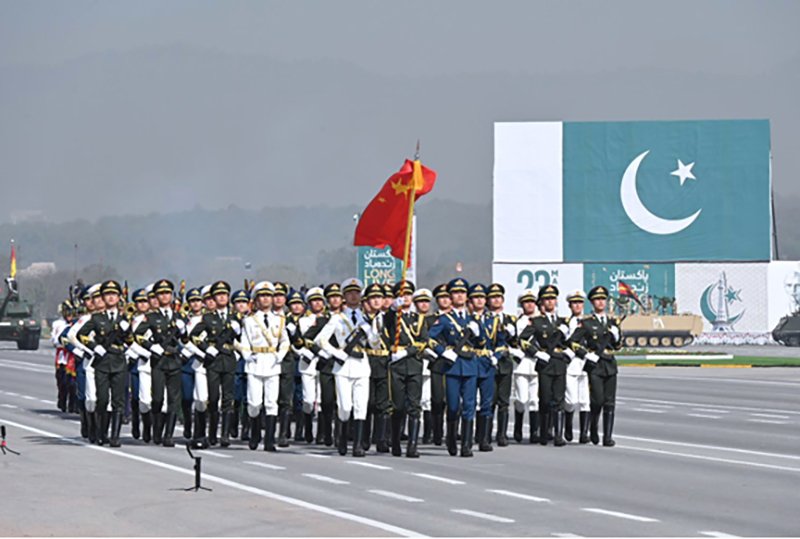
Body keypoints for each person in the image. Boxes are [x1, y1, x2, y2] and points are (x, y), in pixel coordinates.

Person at [317, 278, 374, 457]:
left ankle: (357, 445)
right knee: (345, 407)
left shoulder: (367, 319)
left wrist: (370, 333)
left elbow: (376, 343)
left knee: (361, 406)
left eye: (356, 293)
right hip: (343, 366)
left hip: (362, 364)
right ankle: (342, 437)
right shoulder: (337, 318)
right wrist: (336, 353)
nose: (353, 296)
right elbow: (320, 340)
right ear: (344, 297)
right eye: (349, 293)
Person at [429, 278, 481, 457]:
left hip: (470, 365)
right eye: (456, 293)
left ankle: (466, 445)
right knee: (452, 406)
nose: (460, 295)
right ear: (451, 297)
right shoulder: (444, 319)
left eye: (463, 293)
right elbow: (430, 339)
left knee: (469, 405)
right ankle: (451, 438)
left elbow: (483, 343)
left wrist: (478, 333)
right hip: (452, 366)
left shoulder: (473, 319)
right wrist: (443, 352)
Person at [77, 280, 130, 447]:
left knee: (118, 401)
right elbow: (81, 335)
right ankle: (101, 432)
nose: (111, 297)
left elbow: (130, 340)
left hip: (119, 361)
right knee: (102, 400)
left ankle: (115, 436)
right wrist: (94, 347)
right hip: (102, 362)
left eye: (114, 294)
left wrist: (126, 330)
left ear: (119, 297)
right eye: (108, 295)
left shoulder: (124, 318)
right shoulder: (96, 318)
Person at [240, 281, 290, 451]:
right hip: (255, 362)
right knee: (254, 403)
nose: (266, 299)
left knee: (271, 402)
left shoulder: (280, 320)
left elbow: (285, 341)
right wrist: (248, 356)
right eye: (262, 296)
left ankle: (269, 439)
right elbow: (244, 342)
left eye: (269, 296)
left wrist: (279, 356)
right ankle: (255, 432)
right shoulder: (249, 321)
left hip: (272, 363)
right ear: (256, 299)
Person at [569, 286, 622, 447]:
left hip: (610, 364)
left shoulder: (613, 322)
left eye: (603, 299)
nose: (601, 302)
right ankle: (593, 428)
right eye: (597, 299)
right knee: (597, 400)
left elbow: (618, 346)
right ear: (592, 303)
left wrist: (616, 336)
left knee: (610, 402)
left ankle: (608, 437)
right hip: (595, 365)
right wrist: (586, 354)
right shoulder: (586, 323)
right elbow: (572, 342)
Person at [519, 284, 571, 447]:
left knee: (559, 399)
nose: (550, 302)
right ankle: (543, 433)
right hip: (545, 364)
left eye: (553, 299)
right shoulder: (536, 321)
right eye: (547, 299)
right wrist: (536, 352)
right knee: (546, 399)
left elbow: (573, 342)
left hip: (560, 363)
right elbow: (522, 340)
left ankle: (558, 435)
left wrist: (569, 352)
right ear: (542, 302)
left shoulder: (564, 321)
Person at [190, 280, 240, 447]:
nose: (222, 297)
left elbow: (244, 339)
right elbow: (194, 336)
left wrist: (238, 332)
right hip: (214, 361)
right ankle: (211, 433)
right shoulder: (208, 318)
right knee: (213, 398)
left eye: (224, 295)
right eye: (218, 295)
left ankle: (224, 435)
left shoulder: (235, 318)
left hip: (229, 359)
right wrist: (206, 348)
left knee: (228, 398)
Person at [383, 280, 427, 457]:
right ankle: (395, 441)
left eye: (408, 294)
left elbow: (423, 341)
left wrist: (408, 351)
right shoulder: (393, 316)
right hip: (397, 367)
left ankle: (413, 445)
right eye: (402, 295)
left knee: (414, 406)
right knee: (398, 406)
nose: (406, 297)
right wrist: (393, 309)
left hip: (414, 364)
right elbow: (386, 324)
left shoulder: (420, 319)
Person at [293, 286, 329, 443]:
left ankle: (321, 433)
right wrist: (304, 353)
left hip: (323, 361)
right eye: (314, 301)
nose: (317, 303)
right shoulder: (303, 321)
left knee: (321, 399)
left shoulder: (329, 320)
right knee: (308, 400)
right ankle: (307, 428)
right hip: (307, 362)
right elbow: (297, 342)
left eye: (319, 300)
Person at [487, 283, 518, 447]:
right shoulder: (485, 318)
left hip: (505, 363)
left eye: (499, 297)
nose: (496, 300)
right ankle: (485, 433)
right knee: (489, 400)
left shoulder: (510, 319)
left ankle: (502, 434)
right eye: (493, 297)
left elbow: (515, 342)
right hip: (489, 362)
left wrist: (513, 335)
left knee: (504, 401)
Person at [362, 283, 391, 453]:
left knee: (383, 404)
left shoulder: (388, 318)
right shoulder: (361, 319)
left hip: (384, 362)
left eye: (379, 298)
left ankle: (382, 439)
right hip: (367, 361)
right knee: (367, 402)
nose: (376, 301)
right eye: (373, 298)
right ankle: (364, 438)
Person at [512, 289, 540, 444]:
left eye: (532, 302)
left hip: (537, 364)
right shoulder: (518, 322)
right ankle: (518, 427)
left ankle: (534, 431)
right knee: (521, 399)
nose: (530, 305)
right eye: (526, 302)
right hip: (522, 364)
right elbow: (516, 341)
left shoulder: (541, 320)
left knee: (534, 399)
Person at [564, 290, 590, 444]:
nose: (577, 306)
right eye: (574, 303)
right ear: (569, 305)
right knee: (571, 400)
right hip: (571, 364)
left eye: (580, 303)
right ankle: (568, 427)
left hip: (585, 364)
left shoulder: (589, 322)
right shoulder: (565, 323)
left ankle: (584, 433)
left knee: (585, 401)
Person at [427, 284, 451, 446]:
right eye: (441, 297)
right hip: (436, 361)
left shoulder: (458, 318)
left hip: (455, 362)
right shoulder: (429, 319)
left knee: (453, 400)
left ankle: (451, 432)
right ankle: (436, 432)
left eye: (447, 297)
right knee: (437, 399)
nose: (444, 300)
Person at [411, 288, 435, 444]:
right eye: (421, 302)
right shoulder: (412, 320)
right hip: (416, 360)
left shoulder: (434, 320)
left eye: (426, 301)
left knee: (428, 399)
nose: (424, 305)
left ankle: (428, 432)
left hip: (431, 362)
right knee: (416, 399)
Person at [231, 289, 252, 441]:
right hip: (235, 359)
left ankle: (246, 427)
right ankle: (233, 423)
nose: (241, 306)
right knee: (235, 397)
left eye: (244, 302)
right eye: (238, 303)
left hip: (250, 359)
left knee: (248, 397)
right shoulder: (230, 320)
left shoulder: (253, 320)